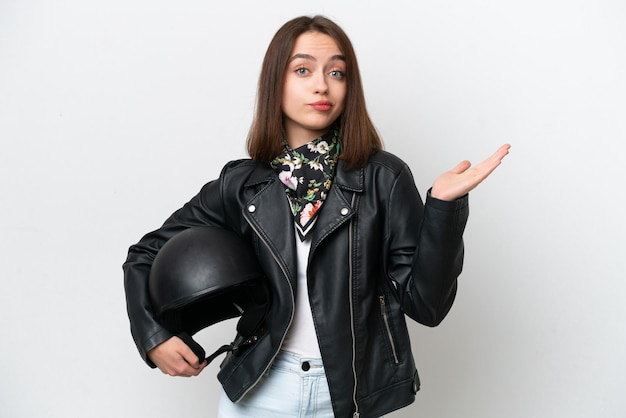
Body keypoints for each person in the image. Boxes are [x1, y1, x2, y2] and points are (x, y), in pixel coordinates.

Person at [123, 15, 510, 418]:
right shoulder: (241, 184)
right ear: (277, 82)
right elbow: (145, 253)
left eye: (337, 72)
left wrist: (443, 208)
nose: (321, 85)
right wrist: (155, 335)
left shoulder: (384, 178)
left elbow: (427, 306)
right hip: (260, 392)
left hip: (350, 396)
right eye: (303, 69)